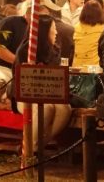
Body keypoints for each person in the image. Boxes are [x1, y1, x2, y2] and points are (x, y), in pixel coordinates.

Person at [15, 15, 72, 146]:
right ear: (44, 31)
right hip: (25, 94)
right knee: (46, 108)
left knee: (65, 109)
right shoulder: (26, 51)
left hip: (49, 93)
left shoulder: (55, 50)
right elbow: (21, 79)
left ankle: (36, 144)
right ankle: (28, 148)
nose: (56, 32)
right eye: (54, 28)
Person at [0, 11, 28, 101]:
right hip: (3, 67)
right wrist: (19, 62)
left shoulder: (48, 28)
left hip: (32, 73)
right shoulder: (11, 22)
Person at [72, 0, 104, 68]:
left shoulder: (76, 27)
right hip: (94, 69)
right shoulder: (102, 29)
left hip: (76, 69)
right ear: (100, 13)